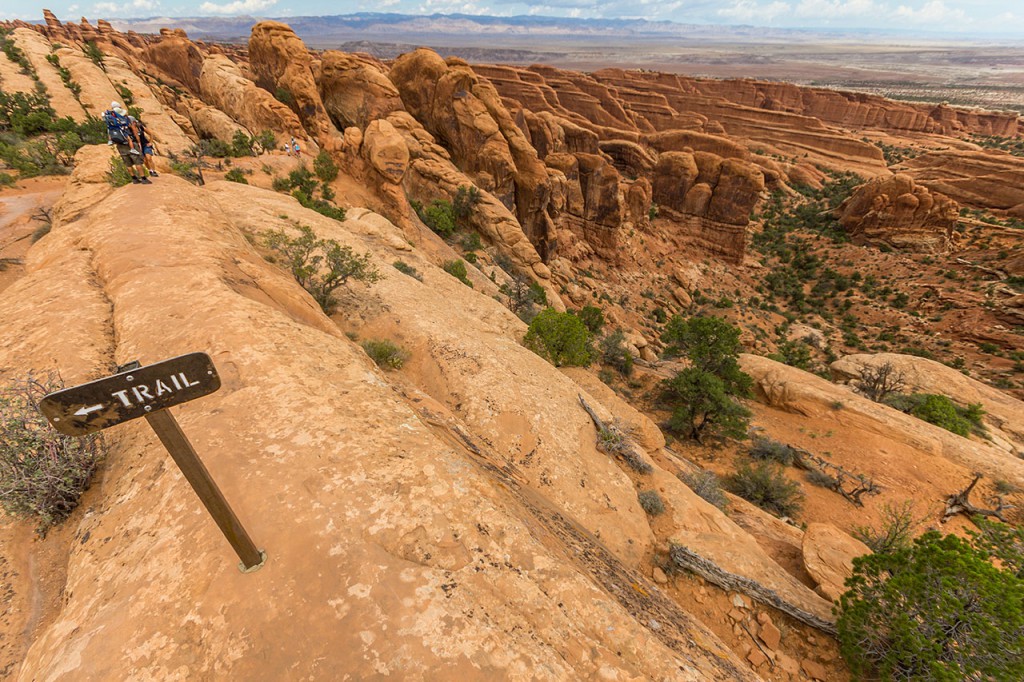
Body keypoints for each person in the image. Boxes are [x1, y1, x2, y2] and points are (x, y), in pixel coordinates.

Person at [103, 102, 149, 184]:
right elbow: (134, 131)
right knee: (137, 161)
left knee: (128, 163)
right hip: (130, 142)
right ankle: (143, 178)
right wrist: (138, 141)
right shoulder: (127, 119)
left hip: (120, 144)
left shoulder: (111, 119)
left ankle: (134, 179)